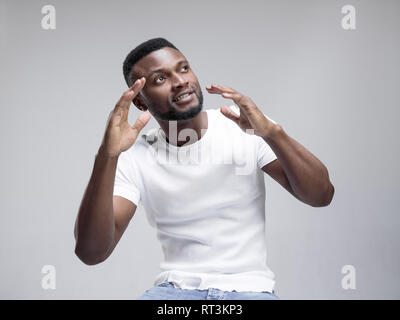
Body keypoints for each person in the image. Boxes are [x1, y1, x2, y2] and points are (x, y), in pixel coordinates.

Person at [74, 38, 335, 300]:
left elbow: (321, 195)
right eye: (160, 79)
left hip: (249, 290)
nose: (179, 81)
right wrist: (106, 156)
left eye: (183, 68)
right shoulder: (135, 155)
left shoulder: (244, 125)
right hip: (174, 293)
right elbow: (91, 252)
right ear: (140, 103)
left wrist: (271, 132)